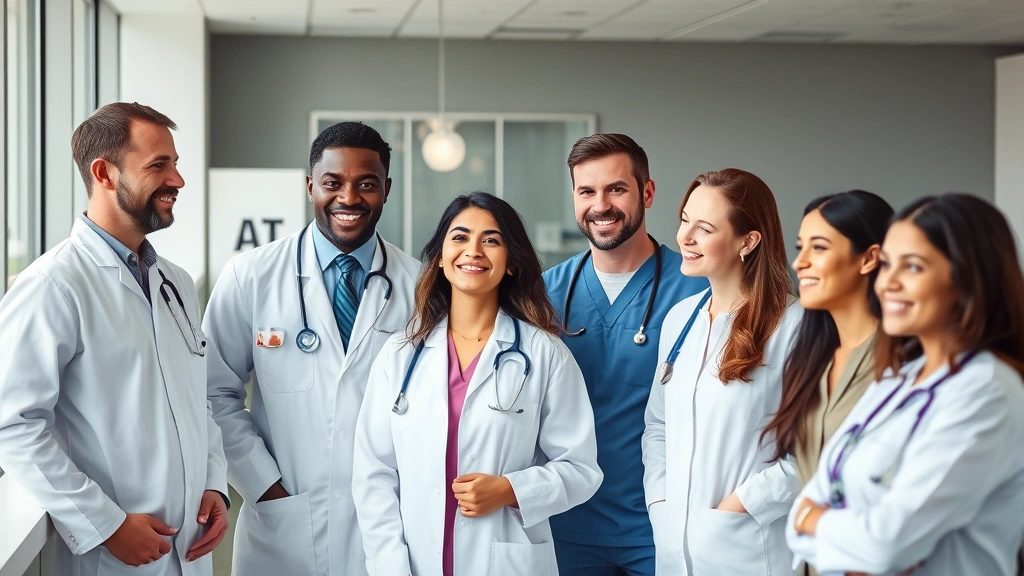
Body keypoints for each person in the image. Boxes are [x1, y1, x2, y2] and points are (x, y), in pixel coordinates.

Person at [0, 102, 229, 575]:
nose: (178, 180)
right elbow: (13, 423)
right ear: (104, 173)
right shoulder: (53, 285)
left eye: (175, 164)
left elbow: (195, 400)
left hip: (188, 544)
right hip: (112, 555)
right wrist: (105, 525)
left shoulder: (176, 282)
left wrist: (214, 483)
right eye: (158, 166)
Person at [203, 122, 420, 575]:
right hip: (283, 526)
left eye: (367, 184)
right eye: (332, 183)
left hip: (386, 525)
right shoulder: (250, 276)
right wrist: (264, 486)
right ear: (310, 187)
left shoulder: (419, 286)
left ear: (387, 189)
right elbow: (211, 394)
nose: (348, 198)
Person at [353, 192, 603, 576]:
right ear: (440, 256)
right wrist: (390, 567)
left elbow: (581, 468)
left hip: (503, 560)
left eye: (491, 240)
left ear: (511, 263)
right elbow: (373, 475)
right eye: (460, 237)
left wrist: (511, 490)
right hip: (412, 564)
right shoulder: (400, 354)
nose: (473, 250)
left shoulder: (544, 354)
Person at [788, 194, 1024, 576]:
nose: (888, 284)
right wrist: (841, 533)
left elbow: (885, 545)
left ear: (968, 278)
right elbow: (803, 512)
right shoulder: (896, 380)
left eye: (912, 267)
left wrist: (818, 522)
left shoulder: (988, 391)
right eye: (887, 265)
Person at [543, 133, 707, 575]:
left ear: (647, 193)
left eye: (616, 189)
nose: (601, 205)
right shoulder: (543, 295)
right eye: (586, 191)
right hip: (566, 527)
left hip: (662, 525)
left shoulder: (699, 290)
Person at [642, 168, 802, 575]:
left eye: (705, 228)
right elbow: (658, 425)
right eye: (684, 220)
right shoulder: (680, 319)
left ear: (748, 241)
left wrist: (742, 506)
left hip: (747, 550)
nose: (685, 237)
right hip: (674, 551)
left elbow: (812, 449)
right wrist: (660, 500)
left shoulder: (795, 326)